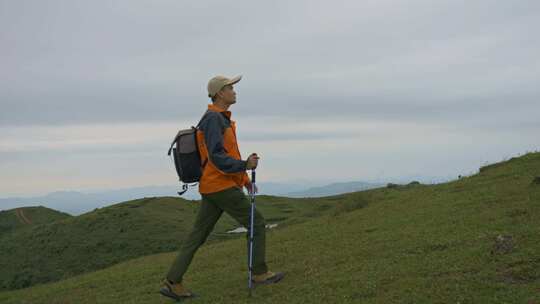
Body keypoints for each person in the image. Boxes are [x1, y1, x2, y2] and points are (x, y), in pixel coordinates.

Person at [160, 75, 285, 301]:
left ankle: (172, 281)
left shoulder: (220, 118)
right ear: (219, 93)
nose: (234, 91)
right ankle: (259, 273)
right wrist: (244, 165)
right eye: (230, 88)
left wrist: (244, 178)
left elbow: (223, 154)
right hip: (221, 186)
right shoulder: (214, 119)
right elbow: (217, 157)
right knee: (256, 222)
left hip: (213, 186)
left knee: (197, 235)